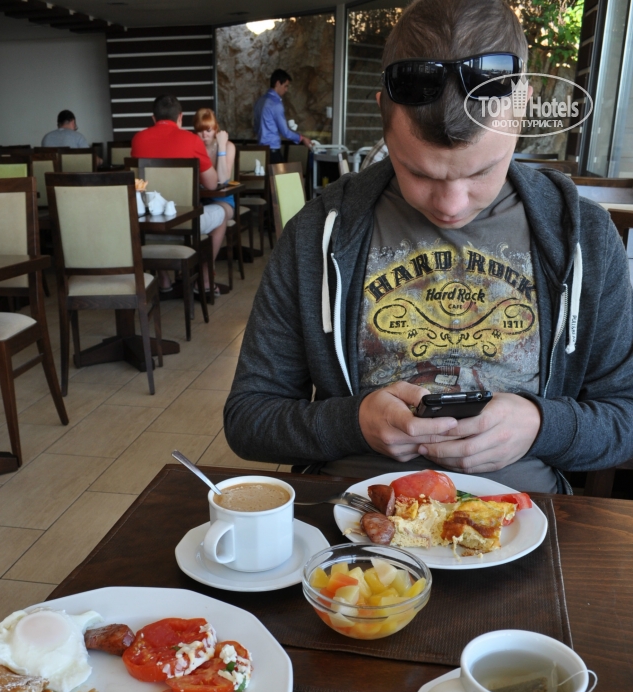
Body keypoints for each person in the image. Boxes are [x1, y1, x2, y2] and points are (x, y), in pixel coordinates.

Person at [225, 0, 633, 493]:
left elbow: (625, 418)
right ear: (382, 113)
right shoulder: (317, 233)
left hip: (526, 517)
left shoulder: (586, 237)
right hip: (354, 511)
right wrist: (352, 423)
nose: (451, 205)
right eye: (418, 172)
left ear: (523, 105)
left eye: (482, 171)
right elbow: (248, 418)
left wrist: (541, 426)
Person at [131, 95, 228, 295]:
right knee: (223, 214)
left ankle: (164, 281)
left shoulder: (138, 139)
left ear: (153, 118)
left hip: (150, 225)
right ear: (180, 117)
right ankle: (205, 281)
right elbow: (212, 184)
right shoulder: (192, 140)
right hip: (185, 224)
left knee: (153, 210)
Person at [253, 70, 312, 164]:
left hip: (260, 150)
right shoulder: (276, 104)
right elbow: (285, 132)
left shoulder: (260, 101)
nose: (286, 90)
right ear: (277, 83)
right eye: (285, 86)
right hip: (273, 151)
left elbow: (256, 127)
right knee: (284, 173)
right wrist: (302, 138)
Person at [194, 108, 235, 221]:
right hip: (200, 199)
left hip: (222, 201)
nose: (204, 135)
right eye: (200, 131)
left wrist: (221, 146)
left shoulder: (228, 146)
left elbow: (222, 179)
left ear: (216, 129)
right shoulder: (194, 148)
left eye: (208, 130)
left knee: (211, 215)